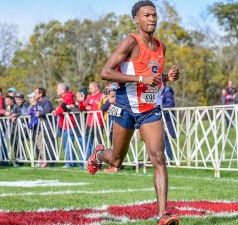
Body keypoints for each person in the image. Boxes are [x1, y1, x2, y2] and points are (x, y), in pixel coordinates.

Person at [87, 1, 180, 224]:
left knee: (159, 158)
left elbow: (152, 76)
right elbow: (106, 72)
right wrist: (140, 79)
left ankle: (162, 214)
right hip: (125, 108)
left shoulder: (160, 47)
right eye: (146, 15)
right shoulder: (130, 42)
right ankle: (99, 154)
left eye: (154, 15)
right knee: (117, 160)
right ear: (136, 20)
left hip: (150, 110)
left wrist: (167, 78)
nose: (151, 19)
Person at [77, 81, 105, 161]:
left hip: (98, 122)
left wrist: (92, 108)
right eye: (89, 88)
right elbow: (82, 108)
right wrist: (81, 101)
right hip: (89, 123)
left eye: (91, 88)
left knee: (99, 143)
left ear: (96, 87)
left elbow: (101, 108)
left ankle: (100, 160)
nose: (89, 90)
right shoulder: (89, 97)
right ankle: (91, 159)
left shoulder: (101, 96)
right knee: (90, 142)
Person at [53, 83, 77, 168]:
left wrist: (56, 111)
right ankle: (70, 162)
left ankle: (70, 163)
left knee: (68, 144)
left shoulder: (68, 97)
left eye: (58, 89)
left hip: (69, 124)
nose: (56, 90)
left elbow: (63, 109)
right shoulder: (64, 98)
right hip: (64, 124)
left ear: (63, 90)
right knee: (65, 143)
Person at [34, 87, 55, 167]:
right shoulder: (38, 102)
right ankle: (43, 160)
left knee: (49, 143)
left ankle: (50, 162)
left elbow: (47, 109)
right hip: (41, 126)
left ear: (40, 94)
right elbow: (37, 111)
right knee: (40, 143)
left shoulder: (45, 100)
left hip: (49, 126)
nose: (34, 95)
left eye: (36, 93)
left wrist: (40, 113)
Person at [162, 83, 176, 161]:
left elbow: (170, 103)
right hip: (160, 120)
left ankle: (168, 159)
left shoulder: (167, 91)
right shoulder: (158, 91)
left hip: (167, 120)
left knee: (166, 139)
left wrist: (159, 107)